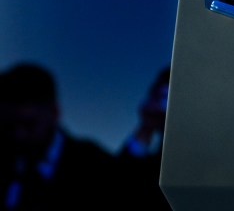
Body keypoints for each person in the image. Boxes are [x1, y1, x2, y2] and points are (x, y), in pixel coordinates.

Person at [0, 62, 116, 210]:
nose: (19, 135)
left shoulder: (96, 166)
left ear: (54, 113)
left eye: (29, 125)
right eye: (9, 126)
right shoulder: (7, 159)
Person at [116, 66, 171, 209]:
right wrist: (146, 127)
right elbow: (120, 182)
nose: (164, 105)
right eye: (161, 96)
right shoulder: (155, 165)